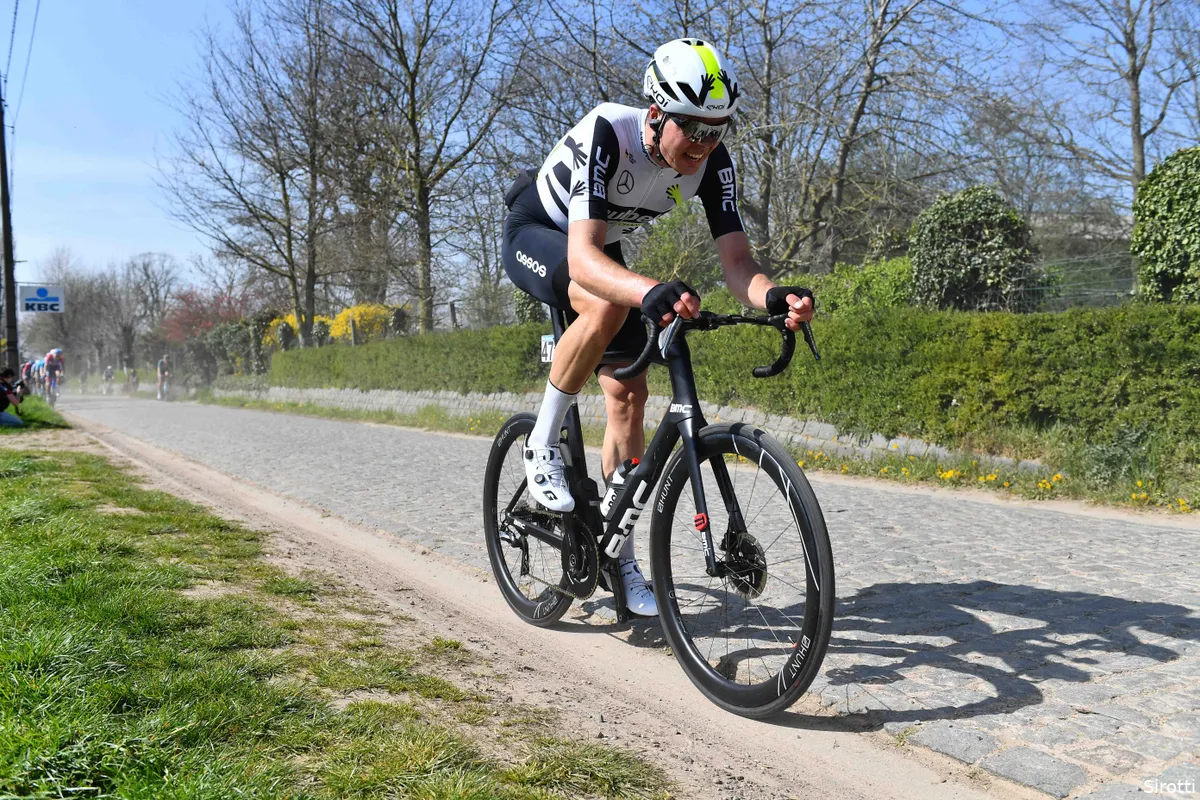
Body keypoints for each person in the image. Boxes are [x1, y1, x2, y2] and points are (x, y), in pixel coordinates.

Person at [501, 38, 815, 617]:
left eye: (717, 129)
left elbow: (738, 263)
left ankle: (616, 555)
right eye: (693, 128)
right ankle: (541, 444)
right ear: (655, 114)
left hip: (598, 246)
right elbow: (586, 258)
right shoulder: (609, 132)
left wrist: (775, 296)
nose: (704, 143)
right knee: (605, 305)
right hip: (539, 232)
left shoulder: (712, 162)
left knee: (628, 394)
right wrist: (649, 290)